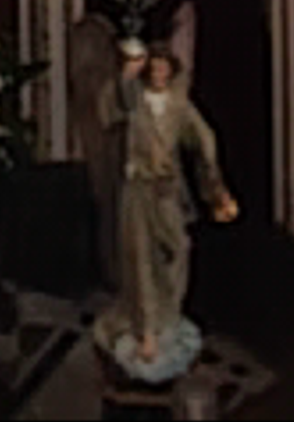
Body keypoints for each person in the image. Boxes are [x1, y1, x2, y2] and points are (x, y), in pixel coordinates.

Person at [101, 26, 234, 389]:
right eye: (153, 68)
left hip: (167, 191)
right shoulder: (136, 100)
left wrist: (214, 184)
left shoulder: (178, 105)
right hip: (138, 189)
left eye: (164, 69)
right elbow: (112, 103)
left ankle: (169, 315)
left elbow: (204, 139)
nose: (158, 74)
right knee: (139, 256)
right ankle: (147, 330)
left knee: (178, 249)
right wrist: (126, 72)